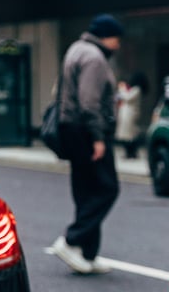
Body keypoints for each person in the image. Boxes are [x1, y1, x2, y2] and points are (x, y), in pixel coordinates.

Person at [49, 14, 123, 275]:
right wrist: (98, 138)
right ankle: (70, 240)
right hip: (86, 132)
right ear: (107, 36)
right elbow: (89, 102)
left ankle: (88, 255)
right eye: (117, 38)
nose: (119, 44)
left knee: (87, 190)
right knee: (107, 188)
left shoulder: (76, 49)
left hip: (72, 129)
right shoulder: (95, 57)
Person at [116, 71, 149, 159]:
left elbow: (127, 97)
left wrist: (121, 89)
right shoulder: (134, 89)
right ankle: (129, 153)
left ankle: (132, 153)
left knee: (130, 136)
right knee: (126, 136)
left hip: (130, 115)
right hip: (126, 114)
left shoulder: (137, 89)